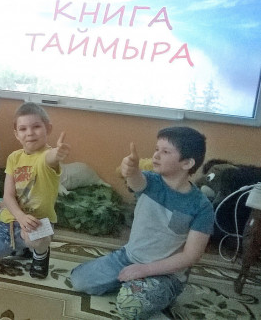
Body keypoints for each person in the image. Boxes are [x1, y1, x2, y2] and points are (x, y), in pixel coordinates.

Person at [70, 127, 212, 319]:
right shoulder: (150, 181)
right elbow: (136, 180)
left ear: (187, 163)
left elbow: (190, 256)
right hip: (128, 257)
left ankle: (154, 292)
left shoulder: (201, 207)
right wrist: (130, 169)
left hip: (166, 273)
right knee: (79, 280)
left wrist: (144, 270)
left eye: (165, 151)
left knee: (129, 306)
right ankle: (133, 284)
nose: (156, 155)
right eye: (156, 149)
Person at [0, 102, 70, 279]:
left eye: (36, 127)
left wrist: (58, 153)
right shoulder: (14, 158)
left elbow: (51, 158)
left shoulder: (46, 156)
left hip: (37, 223)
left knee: (35, 238)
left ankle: (40, 254)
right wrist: (20, 217)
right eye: (23, 129)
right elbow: (8, 196)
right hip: (9, 223)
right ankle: (18, 248)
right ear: (17, 134)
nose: (30, 133)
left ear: (48, 129)